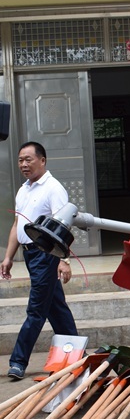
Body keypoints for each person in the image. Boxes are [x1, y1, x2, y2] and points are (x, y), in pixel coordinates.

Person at [1, 141, 78, 380]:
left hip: (46, 255)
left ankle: (17, 362)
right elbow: (17, 225)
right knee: (56, 308)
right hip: (30, 254)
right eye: (20, 160)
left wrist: (63, 260)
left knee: (36, 310)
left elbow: (63, 226)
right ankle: (76, 354)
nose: (23, 164)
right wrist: (8, 257)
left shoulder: (53, 188)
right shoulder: (23, 189)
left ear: (42, 161)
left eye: (28, 159)